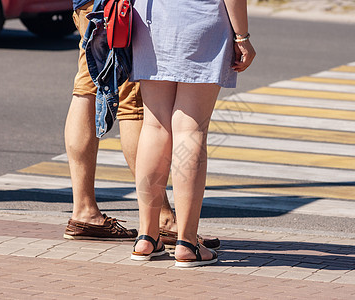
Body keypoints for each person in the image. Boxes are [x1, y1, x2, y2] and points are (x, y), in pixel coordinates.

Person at [63, 0, 220, 249]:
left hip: (88, 4)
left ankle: (84, 209)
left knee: (87, 85)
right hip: (122, 6)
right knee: (135, 104)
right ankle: (161, 220)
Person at [130, 0, 255, 267]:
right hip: (200, 18)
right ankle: (187, 242)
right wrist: (242, 36)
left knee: (155, 125)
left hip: (149, 21)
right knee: (191, 127)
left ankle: (146, 237)